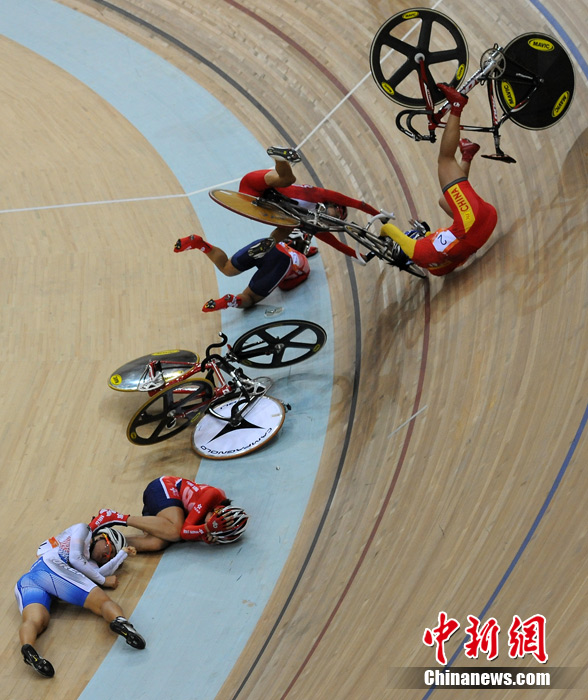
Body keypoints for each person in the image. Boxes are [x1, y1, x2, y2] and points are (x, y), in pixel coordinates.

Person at [381, 83, 498, 276]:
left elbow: (440, 246)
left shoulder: (435, 269)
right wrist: (381, 237)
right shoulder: (417, 253)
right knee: (445, 160)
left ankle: (467, 155)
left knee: (444, 201)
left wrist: (425, 233)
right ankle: (457, 106)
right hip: (472, 221)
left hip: (486, 223)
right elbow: (388, 228)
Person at [15, 523, 145, 678]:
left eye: (110, 557)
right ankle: (121, 622)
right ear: (101, 537)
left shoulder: (89, 562)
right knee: (103, 602)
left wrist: (122, 554)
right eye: (109, 550)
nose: (106, 556)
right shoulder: (84, 529)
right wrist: (104, 581)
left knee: (36, 621)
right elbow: (76, 559)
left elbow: (98, 571)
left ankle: (28, 649)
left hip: (30, 579)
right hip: (52, 567)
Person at [89, 476, 248, 552]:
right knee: (175, 532)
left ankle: (108, 543)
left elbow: (190, 532)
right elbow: (184, 532)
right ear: (217, 511)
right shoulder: (213, 495)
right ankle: (113, 516)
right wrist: (205, 529)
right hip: (163, 488)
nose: (209, 525)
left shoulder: (211, 520)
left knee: (156, 544)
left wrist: (203, 535)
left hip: (163, 512)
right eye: (212, 523)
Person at [173, 231, 310, 312]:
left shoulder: (284, 242)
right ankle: (231, 301)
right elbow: (285, 286)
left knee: (226, 267)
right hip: (281, 262)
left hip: (268, 244)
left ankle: (201, 244)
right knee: (249, 298)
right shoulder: (305, 265)